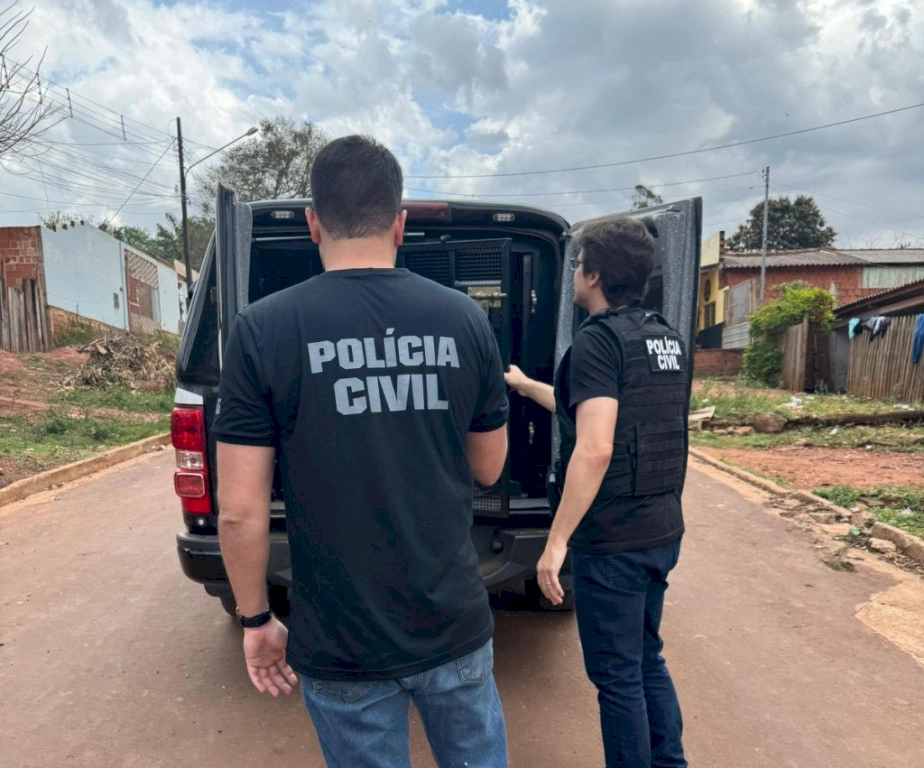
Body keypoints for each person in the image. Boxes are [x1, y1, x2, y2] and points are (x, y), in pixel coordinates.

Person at [212, 134, 510, 768]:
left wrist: (256, 620)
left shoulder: (262, 328)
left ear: (313, 223)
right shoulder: (465, 319)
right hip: (453, 623)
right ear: (399, 223)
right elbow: (489, 467)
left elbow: (238, 511)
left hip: (341, 638)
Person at [504, 217, 688, 768]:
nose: (575, 272)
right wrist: (524, 385)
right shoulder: (663, 337)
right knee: (646, 659)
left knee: (617, 677)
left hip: (614, 542)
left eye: (579, 263)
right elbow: (591, 409)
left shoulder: (597, 341)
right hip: (659, 529)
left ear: (594, 275)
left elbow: (595, 447)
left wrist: (556, 541)